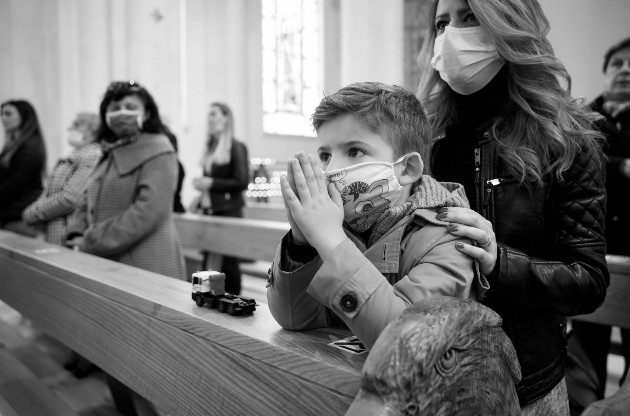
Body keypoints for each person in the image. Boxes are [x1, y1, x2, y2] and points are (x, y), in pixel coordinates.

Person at [415, 0, 608, 414]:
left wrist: (498, 262)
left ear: (509, 25)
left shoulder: (566, 141)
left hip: (529, 384)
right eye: (441, 24)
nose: (450, 36)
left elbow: (589, 280)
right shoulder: (427, 139)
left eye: (470, 18)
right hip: (435, 372)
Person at [267, 82, 480, 350]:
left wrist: (333, 243)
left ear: (407, 169)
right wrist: (301, 244)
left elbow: (406, 342)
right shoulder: (339, 226)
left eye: (354, 151)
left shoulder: (448, 237)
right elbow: (295, 318)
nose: (332, 170)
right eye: (325, 155)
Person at [65, 80, 185, 280]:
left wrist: (91, 240)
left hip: (144, 262)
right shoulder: (110, 150)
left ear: (146, 113)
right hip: (107, 260)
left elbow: (146, 212)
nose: (122, 112)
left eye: (130, 107)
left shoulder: (159, 150)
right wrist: (75, 230)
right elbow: (87, 197)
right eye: (115, 108)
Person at [571, 36, 630, 401]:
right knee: (584, 353)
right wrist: (622, 167)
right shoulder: (581, 120)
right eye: (617, 64)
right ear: (606, 72)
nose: (625, 71)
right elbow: (574, 166)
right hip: (592, 252)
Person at [192, 102, 249, 295]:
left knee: (229, 263)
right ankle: (210, 298)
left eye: (214, 114)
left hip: (229, 212)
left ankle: (233, 301)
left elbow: (241, 181)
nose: (209, 119)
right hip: (211, 211)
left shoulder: (236, 147)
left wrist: (211, 183)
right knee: (209, 261)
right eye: (208, 115)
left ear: (226, 119)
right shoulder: (212, 148)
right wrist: (201, 191)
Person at [23, 112, 102, 245]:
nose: (70, 128)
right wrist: (32, 212)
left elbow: (71, 199)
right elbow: (48, 193)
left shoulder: (92, 155)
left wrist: (32, 214)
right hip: (52, 231)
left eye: (77, 125)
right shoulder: (73, 156)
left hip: (67, 233)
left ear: (94, 130)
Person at [0, 100, 46, 237]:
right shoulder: (13, 144)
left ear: (23, 116)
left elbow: (17, 183)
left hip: (21, 214)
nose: (3, 118)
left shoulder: (30, 145)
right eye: (2, 114)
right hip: (11, 213)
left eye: (8, 114)